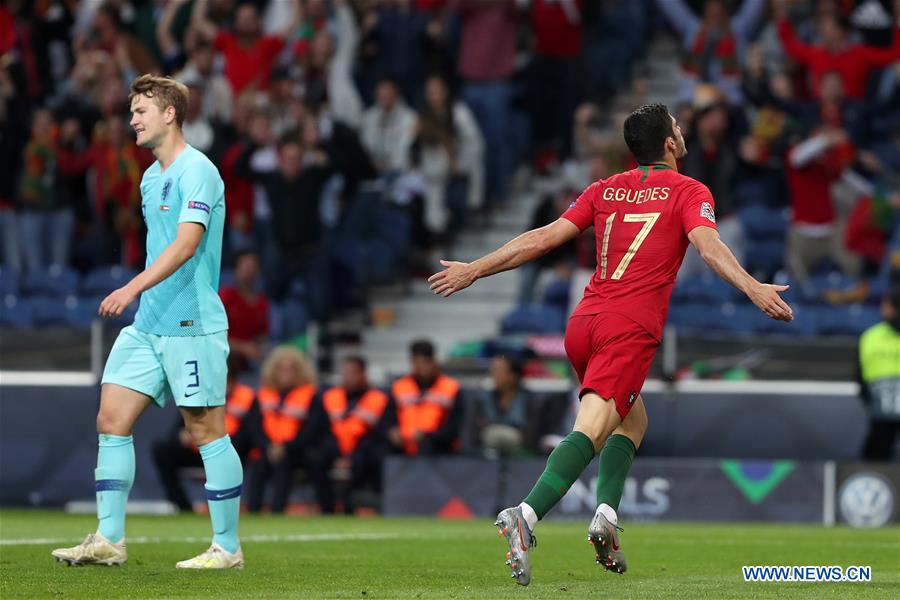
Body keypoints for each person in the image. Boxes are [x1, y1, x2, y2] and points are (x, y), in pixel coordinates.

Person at [428, 103, 793, 585]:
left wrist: (475, 268)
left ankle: (605, 515)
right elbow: (708, 247)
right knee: (593, 427)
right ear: (669, 143)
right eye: (677, 127)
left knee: (633, 420)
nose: (681, 131)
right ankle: (525, 515)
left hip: (584, 323)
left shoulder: (604, 188)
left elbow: (543, 238)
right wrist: (753, 288)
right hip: (629, 326)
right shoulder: (689, 190)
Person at [51, 75, 243, 570]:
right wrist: (141, 297)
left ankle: (227, 547)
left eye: (141, 111)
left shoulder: (198, 170)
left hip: (192, 324)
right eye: (132, 111)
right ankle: (109, 540)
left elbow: (187, 245)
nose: (132, 120)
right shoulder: (150, 177)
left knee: (205, 430)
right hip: (149, 323)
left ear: (169, 114)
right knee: (111, 420)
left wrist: (130, 287)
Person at [152, 358, 258, 512]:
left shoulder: (246, 396)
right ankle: (184, 508)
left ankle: (227, 507)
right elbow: (179, 428)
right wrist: (182, 435)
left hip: (231, 452)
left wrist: (217, 440)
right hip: (198, 451)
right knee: (161, 449)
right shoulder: (196, 394)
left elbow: (251, 433)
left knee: (240, 451)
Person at [244, 346, 335, 514]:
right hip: (267, 449)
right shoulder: (262, 395)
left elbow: (313, 430)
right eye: (281, 369)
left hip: (298, 451)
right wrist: (268, 446)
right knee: (258, 464)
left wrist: (286, 447)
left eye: (291, 369)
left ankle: (278, 511)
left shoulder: (311, 395)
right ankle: (253, 511)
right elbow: (253, 428)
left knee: (290, 463)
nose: (286, 374)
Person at [322, 356, 390, 513]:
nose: (348, 378)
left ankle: (377, 508)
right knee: (316, 458)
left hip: (363, 452)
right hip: (334, 451)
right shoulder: (330, 397)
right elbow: (323, 430)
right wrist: (338, 455)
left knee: (377, 456)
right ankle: (326, 510)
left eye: (352, 373)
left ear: (363, 374)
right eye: (345, 373)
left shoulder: (378, 398)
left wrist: (351, 458)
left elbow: (375, 434)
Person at [386, 339, 463, 456]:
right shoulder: (399, 386)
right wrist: (392, 431)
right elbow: (388, 417)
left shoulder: (450, 387)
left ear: (433, 362)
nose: (421, 366)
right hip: (403, 444)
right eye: (417, 362)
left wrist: (428, 436)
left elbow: (454, 424)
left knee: (429, 448)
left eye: (425, 362)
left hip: (438, 446)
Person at [857, 288, 900, 461]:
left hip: (880, 409)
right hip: (880, 414)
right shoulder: (871, 336)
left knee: (875, 460)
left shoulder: (870, 336)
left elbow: (860, 378)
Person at [468, 355, 538, 456]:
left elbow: (531, 434)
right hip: (486, 453)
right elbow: (475, 430)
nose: (493, 375)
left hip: (520, 454)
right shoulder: (482, 398)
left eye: (498, 371)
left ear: (513, 376)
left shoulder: (529, 400)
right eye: (492, 370)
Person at [219, 250, 270, 372]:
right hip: (225, 359)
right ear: (235, 271)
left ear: (258, 272)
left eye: (252, 268)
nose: (249, 273)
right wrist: (243, 348)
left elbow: (263, 337)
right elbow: (214, 335)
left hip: (251, 364)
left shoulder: (262, 303)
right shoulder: (225, 296)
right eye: (245, 268)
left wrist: (262, 348)